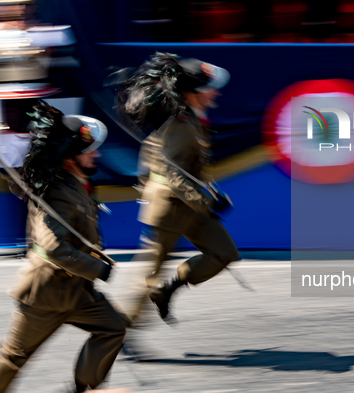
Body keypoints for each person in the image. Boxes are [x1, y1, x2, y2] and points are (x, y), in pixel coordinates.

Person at [0, 101, 129, 393]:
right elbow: (54, 249)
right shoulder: (55, 194)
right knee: (12, 359)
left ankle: (85, 389)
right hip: (46, 294)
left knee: (113, 327)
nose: (96, 154)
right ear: (71, 159)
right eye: (89, 151)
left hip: (77, 293)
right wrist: (97, 267)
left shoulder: (76, 183)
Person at [116, 53, 240, 324]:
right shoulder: (180, 124)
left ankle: (168, 289)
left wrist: (210, 192)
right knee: (149, 272)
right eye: (209, 89)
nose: (214, 94)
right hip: (169, 206)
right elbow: (172, 171)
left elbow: (180, 166)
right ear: (193, 92)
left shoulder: (191, 118)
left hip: (189, 202)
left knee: (224, 253)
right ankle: (122, 330)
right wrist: (205, 201)